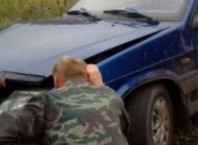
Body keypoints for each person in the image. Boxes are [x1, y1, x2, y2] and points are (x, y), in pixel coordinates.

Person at [0, 56, 129, 145]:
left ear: (56, 81)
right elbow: (125, 126)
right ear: (88, 77)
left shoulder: (48, 100)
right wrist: (101, 86)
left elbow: (4, 128)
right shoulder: (111, 95)